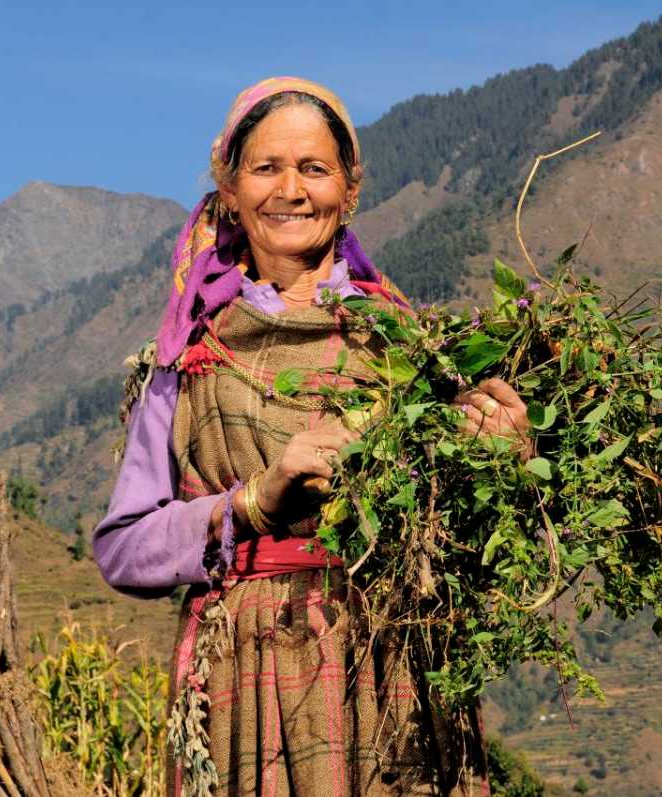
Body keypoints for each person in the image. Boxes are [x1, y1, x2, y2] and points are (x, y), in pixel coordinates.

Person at [93, 76, 530, 797]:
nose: (290, 190)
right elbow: (122, 546)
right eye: (266, 168)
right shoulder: (190, 357)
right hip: (247, 678)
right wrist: (248, 501)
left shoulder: (408, 349)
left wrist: (503, 457)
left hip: (390, 667)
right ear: (229, 190)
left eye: (314, 169)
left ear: (350, 190)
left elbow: (462, 541)